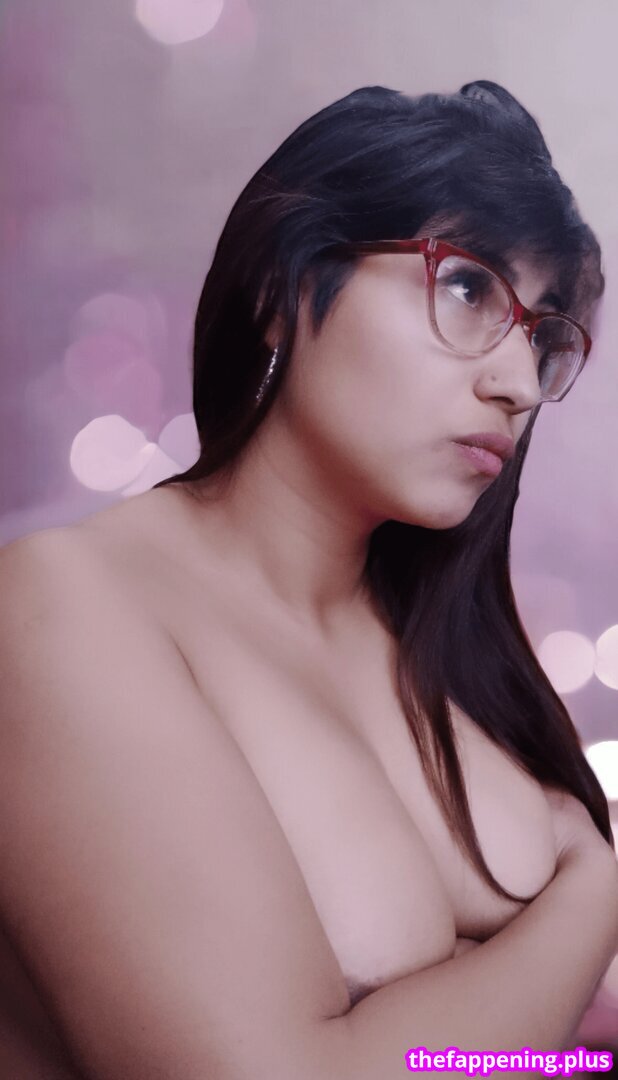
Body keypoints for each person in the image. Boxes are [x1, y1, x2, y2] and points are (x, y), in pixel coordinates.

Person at [0, 80, 616, 1080]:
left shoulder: (452, 652)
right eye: (469, 289)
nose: (515, 382)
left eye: (543, 335)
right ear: (281, 292)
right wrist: (591, 892)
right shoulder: (65, 608)